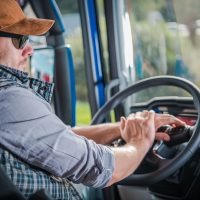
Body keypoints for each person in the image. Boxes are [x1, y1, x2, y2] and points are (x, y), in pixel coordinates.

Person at [0, 0, 186, 199]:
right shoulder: (8, 97)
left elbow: (58, 136)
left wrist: (120, 129)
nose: (29, 50)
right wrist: (140, 141)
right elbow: (102, 168)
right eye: (20, 39)